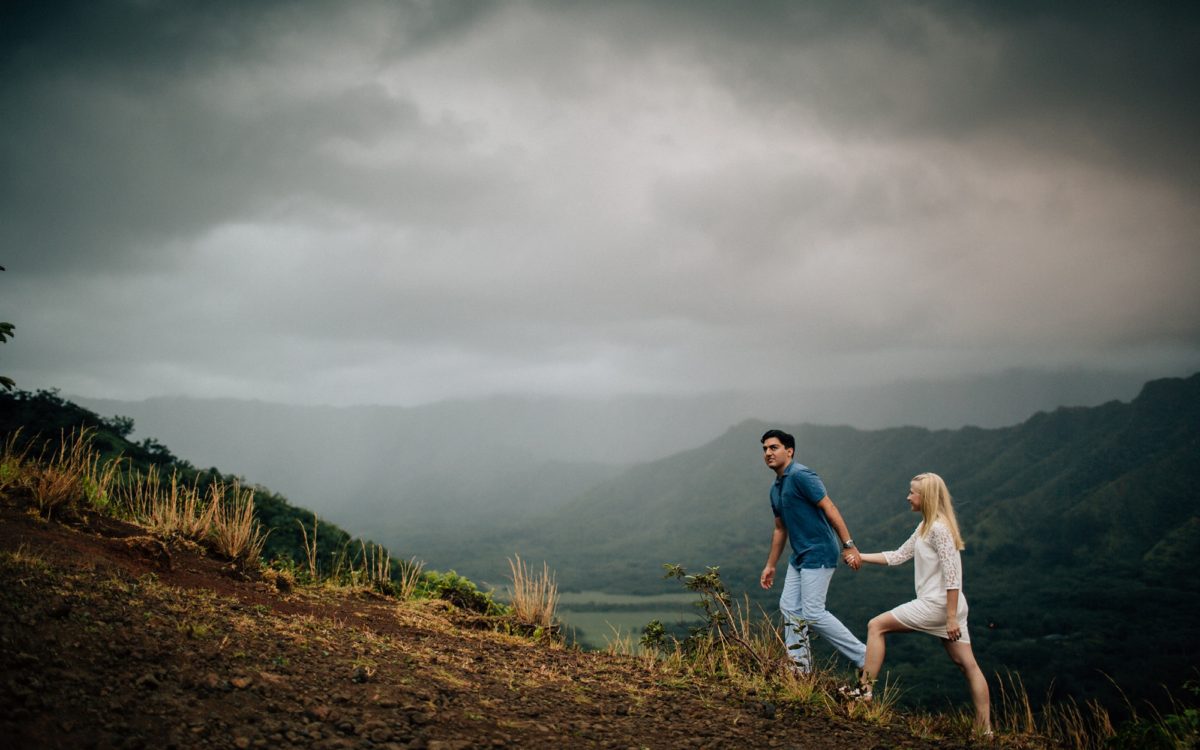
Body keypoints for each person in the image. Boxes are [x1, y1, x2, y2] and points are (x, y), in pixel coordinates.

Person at [854, 472, 992, 736]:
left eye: (912, 492)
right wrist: (860, 556)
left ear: (925, 496)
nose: (908, 496)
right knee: (967, 665)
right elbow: (897, 556)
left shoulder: (938, 529)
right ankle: (984, 729)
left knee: (876, 625)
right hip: (948, 606)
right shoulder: (926, 526)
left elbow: (953, 577)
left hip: (939, 605)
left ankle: (865, 691)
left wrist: (950, 617)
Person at [759, 429, 866, 674]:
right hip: (799, 557)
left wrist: (848, 545)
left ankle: (864, 655)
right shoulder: (776, 488)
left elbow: (829, 507)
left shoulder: (801, 475)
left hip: (819, 552)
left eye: (773, 447)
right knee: (788, 607)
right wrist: (771, 564)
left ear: (789, 451)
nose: (768, 453)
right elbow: (780, 529)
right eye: (765, 449)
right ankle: (800, 668)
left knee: (814, 613)